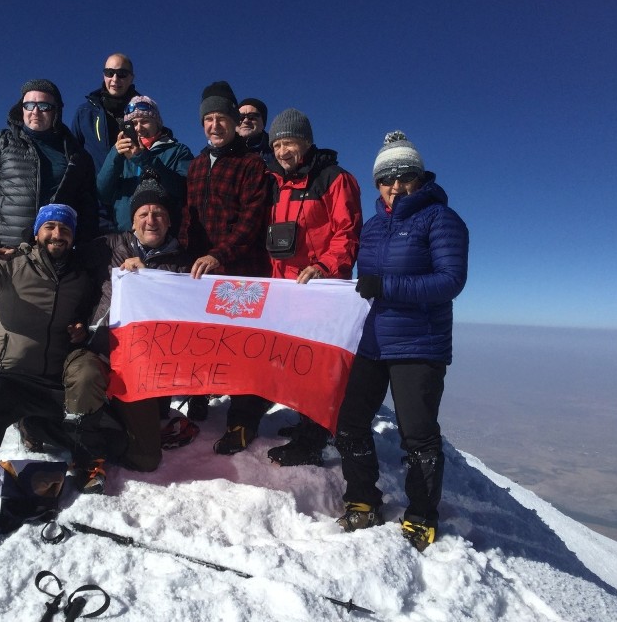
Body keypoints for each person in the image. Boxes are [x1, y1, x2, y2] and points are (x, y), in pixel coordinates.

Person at [0, 204, 115, 553]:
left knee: (114, 438)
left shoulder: (81, 277)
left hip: (57, 381)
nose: (56, 234)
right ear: (37, 232)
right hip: (12, 376)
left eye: (64, 229)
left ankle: (54, 439)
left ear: (72, 236)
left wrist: (80, 330)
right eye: (49, 227)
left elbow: (89, 315)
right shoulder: (10, 265)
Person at [334, 131, 469, 552]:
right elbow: (360, 283)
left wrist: (386, 286)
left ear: (420, 177)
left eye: (404, 175)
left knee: (419, 435)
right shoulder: (372, 228)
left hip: (419, 345)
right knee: (350, 421)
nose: (395, 185)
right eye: (385, 178)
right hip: (373, 342)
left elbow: (449, 281)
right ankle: (363, 498)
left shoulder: (441, 220)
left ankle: (421, 516)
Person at [0, 79, 98, 390]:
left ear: (56, 111)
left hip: (55, 252)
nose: (35, 111)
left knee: (45, 328)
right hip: (9, 250)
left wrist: (84, 249)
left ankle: (34, 410)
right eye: (29, 104)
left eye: (44, 105)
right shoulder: (3, 142)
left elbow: (88, 207)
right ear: (21, 108)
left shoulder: (74, 154)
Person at [260, 108, 363, 467]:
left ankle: (315, 439)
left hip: (319, 292)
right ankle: (308, 424)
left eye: (289, 142)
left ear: (306, 142)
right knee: (296, 363)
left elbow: (347, 234)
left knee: (317, 365)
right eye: (277, 144)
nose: (283, 151)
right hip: (285, 294)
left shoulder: (335, 179)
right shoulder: (274, 183)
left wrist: (323, 268)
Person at [178, 81, 272, 455]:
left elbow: (252, 221)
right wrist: (182, 259)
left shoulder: (251, 164)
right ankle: (200, 398)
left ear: (234, 122)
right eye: (209, 119)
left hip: (241, 272)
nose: (215, 125)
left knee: (244, 349)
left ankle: (242, 421)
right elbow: (189, 218)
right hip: (203, 273)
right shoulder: (198, 165)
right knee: (204, 341)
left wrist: (220, 254)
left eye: (222, 118)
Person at [87, 173, 194, 471]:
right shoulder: (106, 246)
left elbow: (187, 317)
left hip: (142, 364)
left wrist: (149, 279)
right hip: (100, 349)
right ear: (132, 221)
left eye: (159, 213)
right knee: (82, 382)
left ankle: (111, 423)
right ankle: (78, 430)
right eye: (143, 213)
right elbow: (59, 263)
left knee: (147, 459)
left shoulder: (184, 264)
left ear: (170, 221)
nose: (151, 219)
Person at [96, 96, 193, 235]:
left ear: (157, 124)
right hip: (125, 235)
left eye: (145, 121)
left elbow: (183, 189)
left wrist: (144, 158)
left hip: (163, 235)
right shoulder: (119, 154)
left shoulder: (177, 151)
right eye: (133, 123)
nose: (139, 128)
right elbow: (103, 193)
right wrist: (114, 155)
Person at [71, 53, 140, 232]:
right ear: (104, 75)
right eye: (110, 73)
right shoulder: (85, 113)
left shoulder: (143, 111)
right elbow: (72, 156)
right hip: (95, 207)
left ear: (131, 77)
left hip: (132, 202)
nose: (115, 79)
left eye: (122, 74)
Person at [236, 97, 273, 164]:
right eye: (240, 117)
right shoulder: (222, 148)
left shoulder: (275, 150)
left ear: (263, 123)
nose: (246, 121)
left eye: (252, 117)